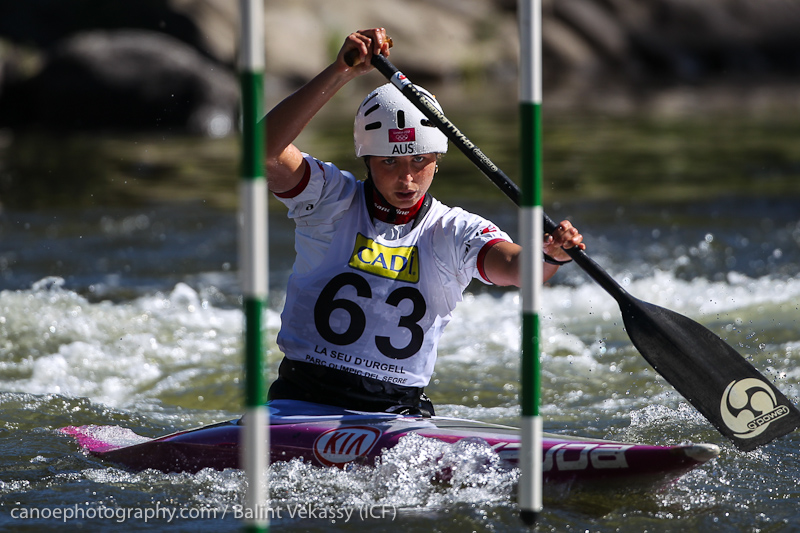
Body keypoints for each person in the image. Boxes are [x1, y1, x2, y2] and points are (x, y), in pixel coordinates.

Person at [265, 28, 584, 416]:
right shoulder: (329, 198)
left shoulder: (455, 231)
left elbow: (518, 268)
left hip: (395, 414)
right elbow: (263, 151)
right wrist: (340, 72)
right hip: (300, 399)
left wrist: (550, 254)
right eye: (389, 162)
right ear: (367, 160)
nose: (406, 178)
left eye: (419, 161)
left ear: (436, 158)